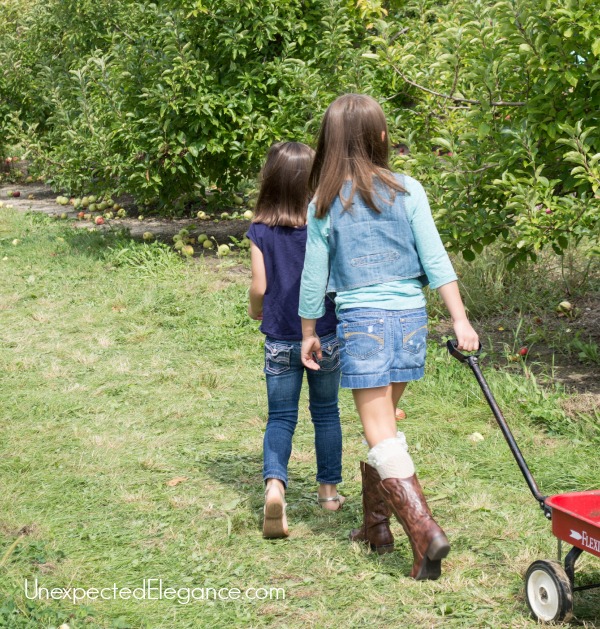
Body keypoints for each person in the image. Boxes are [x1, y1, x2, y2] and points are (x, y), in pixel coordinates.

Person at [299, 94, 479, 580]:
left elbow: (314, 277)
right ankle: (376, 528)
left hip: (365, 323)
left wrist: (309, 330)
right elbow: (436, 259)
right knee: (385, 430)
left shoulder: (324, 205)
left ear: (330, 143)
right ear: (379, 137)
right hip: (410, 320)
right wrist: (459, 320)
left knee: (380, 433)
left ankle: (425, 531)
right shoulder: (409, 189)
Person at [247, 141, 345, 540]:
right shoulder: (325, 222)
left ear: (269, 180)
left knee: (281, 416)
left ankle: (275, 487)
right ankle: (328, 493)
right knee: (326, 411)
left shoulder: (260, 230)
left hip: (280, 338)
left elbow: (260, 285)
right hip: (325, 333)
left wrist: (257, 309)